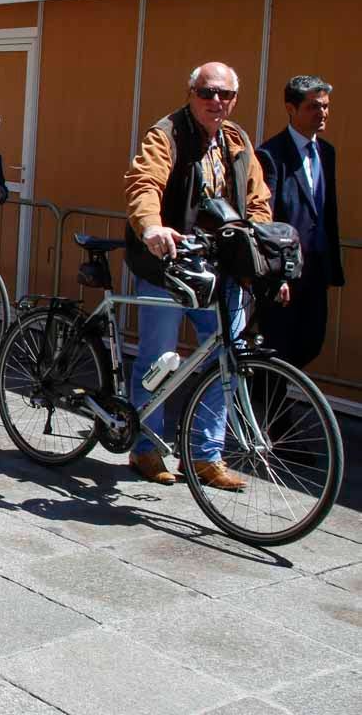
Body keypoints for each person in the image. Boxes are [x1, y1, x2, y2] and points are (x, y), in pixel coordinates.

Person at [124, 61, 271, 490]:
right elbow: (143, 182)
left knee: (228, 355)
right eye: (207, 92)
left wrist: (259, 248)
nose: (216, 101)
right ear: (191, 93)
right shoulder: (167, 133)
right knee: (158, 359)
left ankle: (205, 455)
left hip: (220, 267)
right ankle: (146, 446)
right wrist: (151, 227)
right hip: (169, 263)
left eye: (225, 94)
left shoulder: (238, 141)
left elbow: (257, 199)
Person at [257, 75, 342, 369]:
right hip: (286, 273)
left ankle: (273, 406)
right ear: (291, 109)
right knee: (278, 348)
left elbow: (325, 211)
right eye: (313, 107)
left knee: (311, 342)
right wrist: (275, 273)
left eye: (326, 107)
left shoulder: (326, 153)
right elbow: (264, 217)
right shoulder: (271, 155)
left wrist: (332, 266)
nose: (322, 114)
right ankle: (266, 411)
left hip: (316, 269)